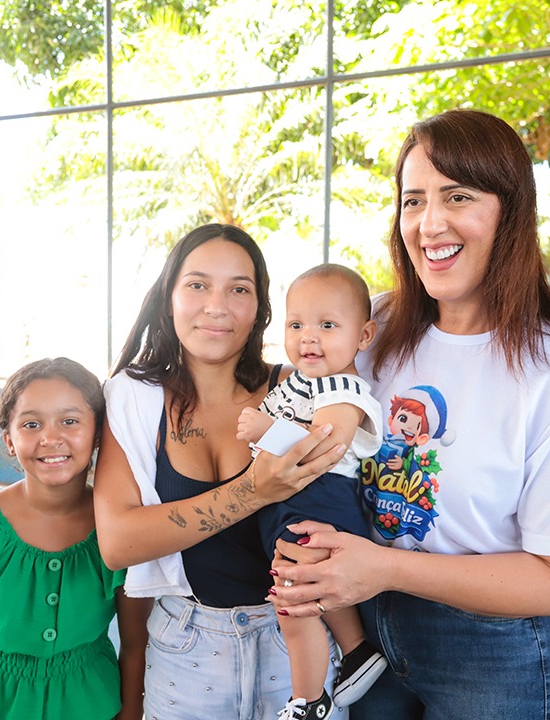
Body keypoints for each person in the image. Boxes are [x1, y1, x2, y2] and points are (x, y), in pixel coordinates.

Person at [268, 109, 550, 719]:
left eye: (457, 196)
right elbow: (288, 408)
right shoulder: (368, 330)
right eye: (413, 201)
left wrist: (382, 566)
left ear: (509, 211)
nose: (430, 224)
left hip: (489, 653)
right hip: (369, 634)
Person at [93, 223, 349, 720]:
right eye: (197, 285)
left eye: (239, 289)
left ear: (260, 310)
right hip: (188, 648)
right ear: (169, 296)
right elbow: (118, 542)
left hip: (299, 648)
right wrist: (254, 490)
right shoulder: (135, 397)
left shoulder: (303, 390)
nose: (217, 305)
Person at [0, 357, 148, 720]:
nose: (51, 437)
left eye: (70, 421)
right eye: (31, 424)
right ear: (9, 441)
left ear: (98, 434)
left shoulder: (118, 525)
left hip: (92, 706)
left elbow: (136, 645)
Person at [236, 263, 387, 718]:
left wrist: (267, 428)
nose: (309, 337)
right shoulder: (298, 381)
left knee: (293, 601)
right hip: (290, 500)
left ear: (363, 336)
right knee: (314, 588)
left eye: (327, 325)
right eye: (296, 324)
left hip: (320, 498)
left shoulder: (345, 387)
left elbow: (327, 442)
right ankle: (356, 650)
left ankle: (308, 701)